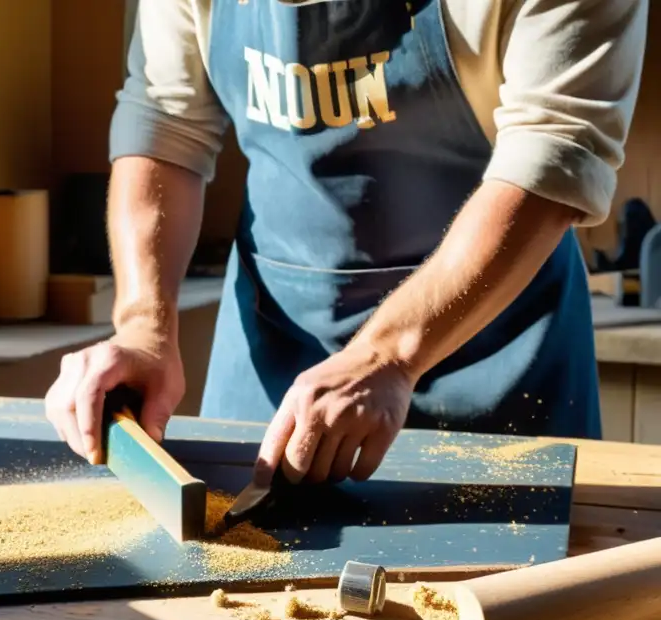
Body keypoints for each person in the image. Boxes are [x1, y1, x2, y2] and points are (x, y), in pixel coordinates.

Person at [45, 0, 648, 489]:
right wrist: (143, 325)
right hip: (275, 342)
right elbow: (165, 122)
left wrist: (386, 357)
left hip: (501, 349)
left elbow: (554, 155)